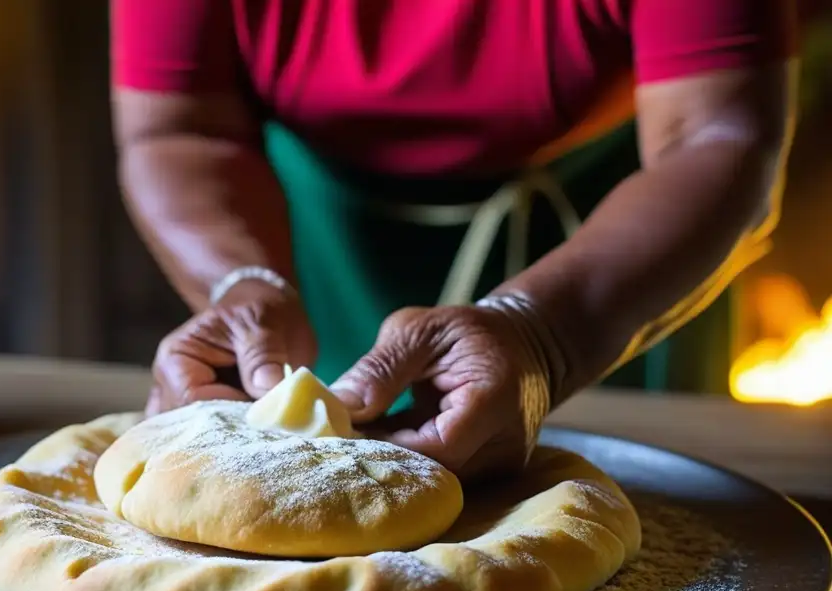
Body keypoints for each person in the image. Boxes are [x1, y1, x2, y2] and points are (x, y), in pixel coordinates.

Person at [110, 0, 797, 479]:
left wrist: (542, 337)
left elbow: (716, 137)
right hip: (310, 243)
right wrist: (238, 280)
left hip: (619, 258)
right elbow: (181, 127)